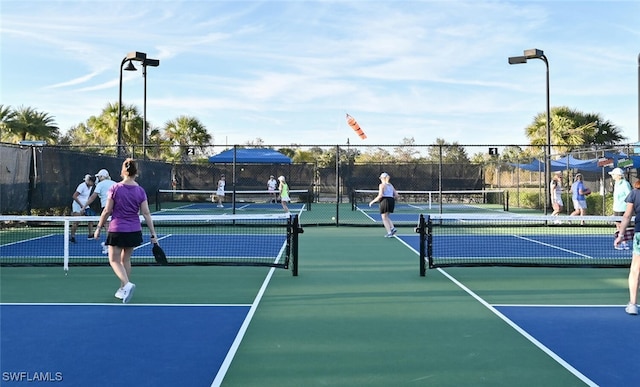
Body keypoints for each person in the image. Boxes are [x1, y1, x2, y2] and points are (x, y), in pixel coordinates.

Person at [94, 158, 159, 304]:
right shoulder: (140, 191)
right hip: (134, 230)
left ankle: (127, 285)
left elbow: (107, 210)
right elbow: (146, 213)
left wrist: (98, 227)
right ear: (136, 173)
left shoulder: (115, 188)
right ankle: (123, 288)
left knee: (113, 260)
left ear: (123, 171)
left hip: (117, 229)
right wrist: (153, 234)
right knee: (126, 260)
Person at [614, 180, 640, 315]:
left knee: (636, 270)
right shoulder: (634, 193)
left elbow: (627, 216)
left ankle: (633, 304)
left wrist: (621, 235)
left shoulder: (634, 194)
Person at [85, 169, 117, 254]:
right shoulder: (115, 183)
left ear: (102, 177)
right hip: (117, 208)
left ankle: (109, 246)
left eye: (99, 176)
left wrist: (84, 206)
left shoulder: (100, 184)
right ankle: (112, 245)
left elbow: (93, 197)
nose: (98, 178)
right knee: (115, 227)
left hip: (106, 208)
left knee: (107, 227)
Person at [368, 172, 399, 237]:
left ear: (382, 178)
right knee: (386, 216)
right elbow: (396, 195)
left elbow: (380, 195)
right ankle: (392, 228)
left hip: (385, 201)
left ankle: (389, 233)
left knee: (384, 217)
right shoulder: (391, 185)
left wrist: (372, 202)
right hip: (391, 200)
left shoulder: (381, 185)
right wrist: (392, 199)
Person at [610, 168, 632, 250]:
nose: (612, 175)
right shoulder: (616, 183)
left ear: (618, 175)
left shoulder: (625, 184)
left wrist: (628, 207)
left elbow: (629, 195)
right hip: (616, 208)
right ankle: (621, 242)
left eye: (613, 174)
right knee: (618, 226)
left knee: (623, 226)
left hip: (623, 208)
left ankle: (624, 243)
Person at [70, 174, 96, 243]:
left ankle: (90, 235)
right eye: (92, 182)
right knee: (77, 221)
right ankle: (72, 237)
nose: (93, 184)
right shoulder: (82, 186)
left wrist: (85, 206)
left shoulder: (91, 186)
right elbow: (74, 196)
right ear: (89, 181)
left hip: (85, 205)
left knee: (91, 219)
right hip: (77, 205)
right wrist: (81, 205)